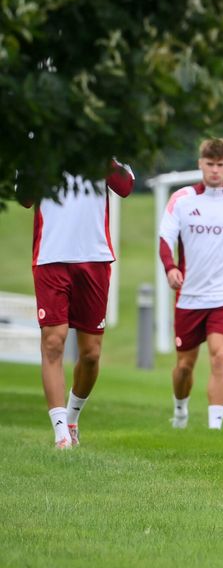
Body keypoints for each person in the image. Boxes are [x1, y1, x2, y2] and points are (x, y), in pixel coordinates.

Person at [27, 160, 134, 448]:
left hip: (94, 258)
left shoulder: (101, 140)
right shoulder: (38, 143)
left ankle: (72, 417)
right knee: (53, 342)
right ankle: (60, 433)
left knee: (90, 354)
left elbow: (124, 187)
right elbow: (24, 198)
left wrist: (100, 152)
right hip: (51, 257)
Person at [158, 138, 223, 430]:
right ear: (200, 164)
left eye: (220, 165)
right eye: (210, 164)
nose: (215, 170)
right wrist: (170, 268)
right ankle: (180, 410)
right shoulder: (182, 199)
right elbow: (165, 240)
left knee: (220, 356)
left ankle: (214, 427)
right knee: (184, 366)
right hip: (189, 297)